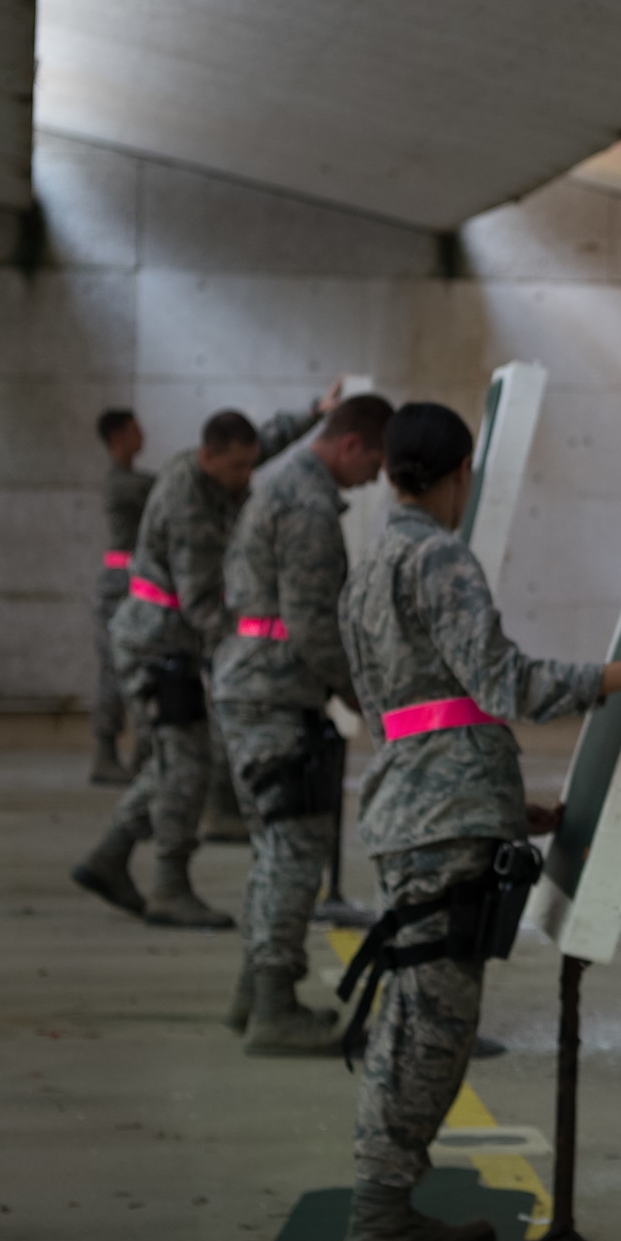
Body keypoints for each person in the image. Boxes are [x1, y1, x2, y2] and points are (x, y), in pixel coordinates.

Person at [330, 403, 621, 1241]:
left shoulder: (372, 563)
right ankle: (377, 1229)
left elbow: (417, 706)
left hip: (420, 809)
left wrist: (505, 804)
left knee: (417, 1018)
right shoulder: (438, 556)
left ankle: (391, 1208)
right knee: (432, 1028)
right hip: (443, 822)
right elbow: (504, 684)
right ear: (459, 472)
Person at [69, 384, 343, 928]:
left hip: (169, 642)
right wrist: (242, 655)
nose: (245, 479)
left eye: (249, 468)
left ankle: (111, 855)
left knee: (180, 757)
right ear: (207, 456)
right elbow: (201, 605)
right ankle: (169, 886)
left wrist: (314, 413)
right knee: (187, 763)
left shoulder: (222, 465)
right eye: (236, 469)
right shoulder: (189, 501)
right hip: (157, 644)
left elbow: (263, 441)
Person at [212, 394, 396, 1054]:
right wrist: (371, 702)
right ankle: (272, 1010)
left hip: (255, 688)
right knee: (294, 852)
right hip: (275, 695)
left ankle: (257, 994)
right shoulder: (310, 506)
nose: (375, 477)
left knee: (273, 850)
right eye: (374, 461)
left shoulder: (283, 483)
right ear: (351, 444)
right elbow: (315, 627)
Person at [89, 409, 154, 786]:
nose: (142, 434)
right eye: (135, 429)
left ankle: (129, 753)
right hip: (120, 587)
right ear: (118, 436)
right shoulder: (123, 484)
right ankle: (106, 754)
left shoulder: (128, 480)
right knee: (116, 671)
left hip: (131, 583)